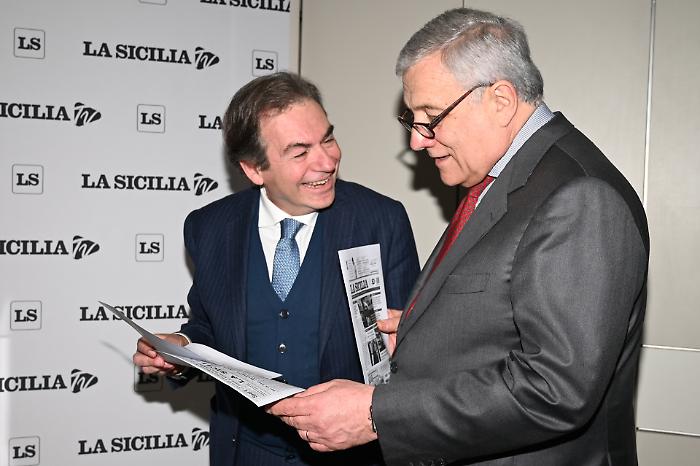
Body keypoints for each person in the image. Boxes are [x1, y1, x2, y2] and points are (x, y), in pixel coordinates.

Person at [268, 8, 649, 466]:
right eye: (413, 119)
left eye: (431, 116)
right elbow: (504, 317)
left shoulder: (579, 196)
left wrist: (375, 414)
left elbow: (554, 389)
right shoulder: (503, 180)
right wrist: (422, 331)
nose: (417, 141)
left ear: (501, 100)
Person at [133, 71, 420, 466]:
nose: (327, 161)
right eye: (300, 152)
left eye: (328, 139)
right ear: (254, 169)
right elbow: (210, 327)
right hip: (245, 452)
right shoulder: (210, 228)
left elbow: (409, 346)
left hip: (350, 456)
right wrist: (180, 348)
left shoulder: (381, 220)